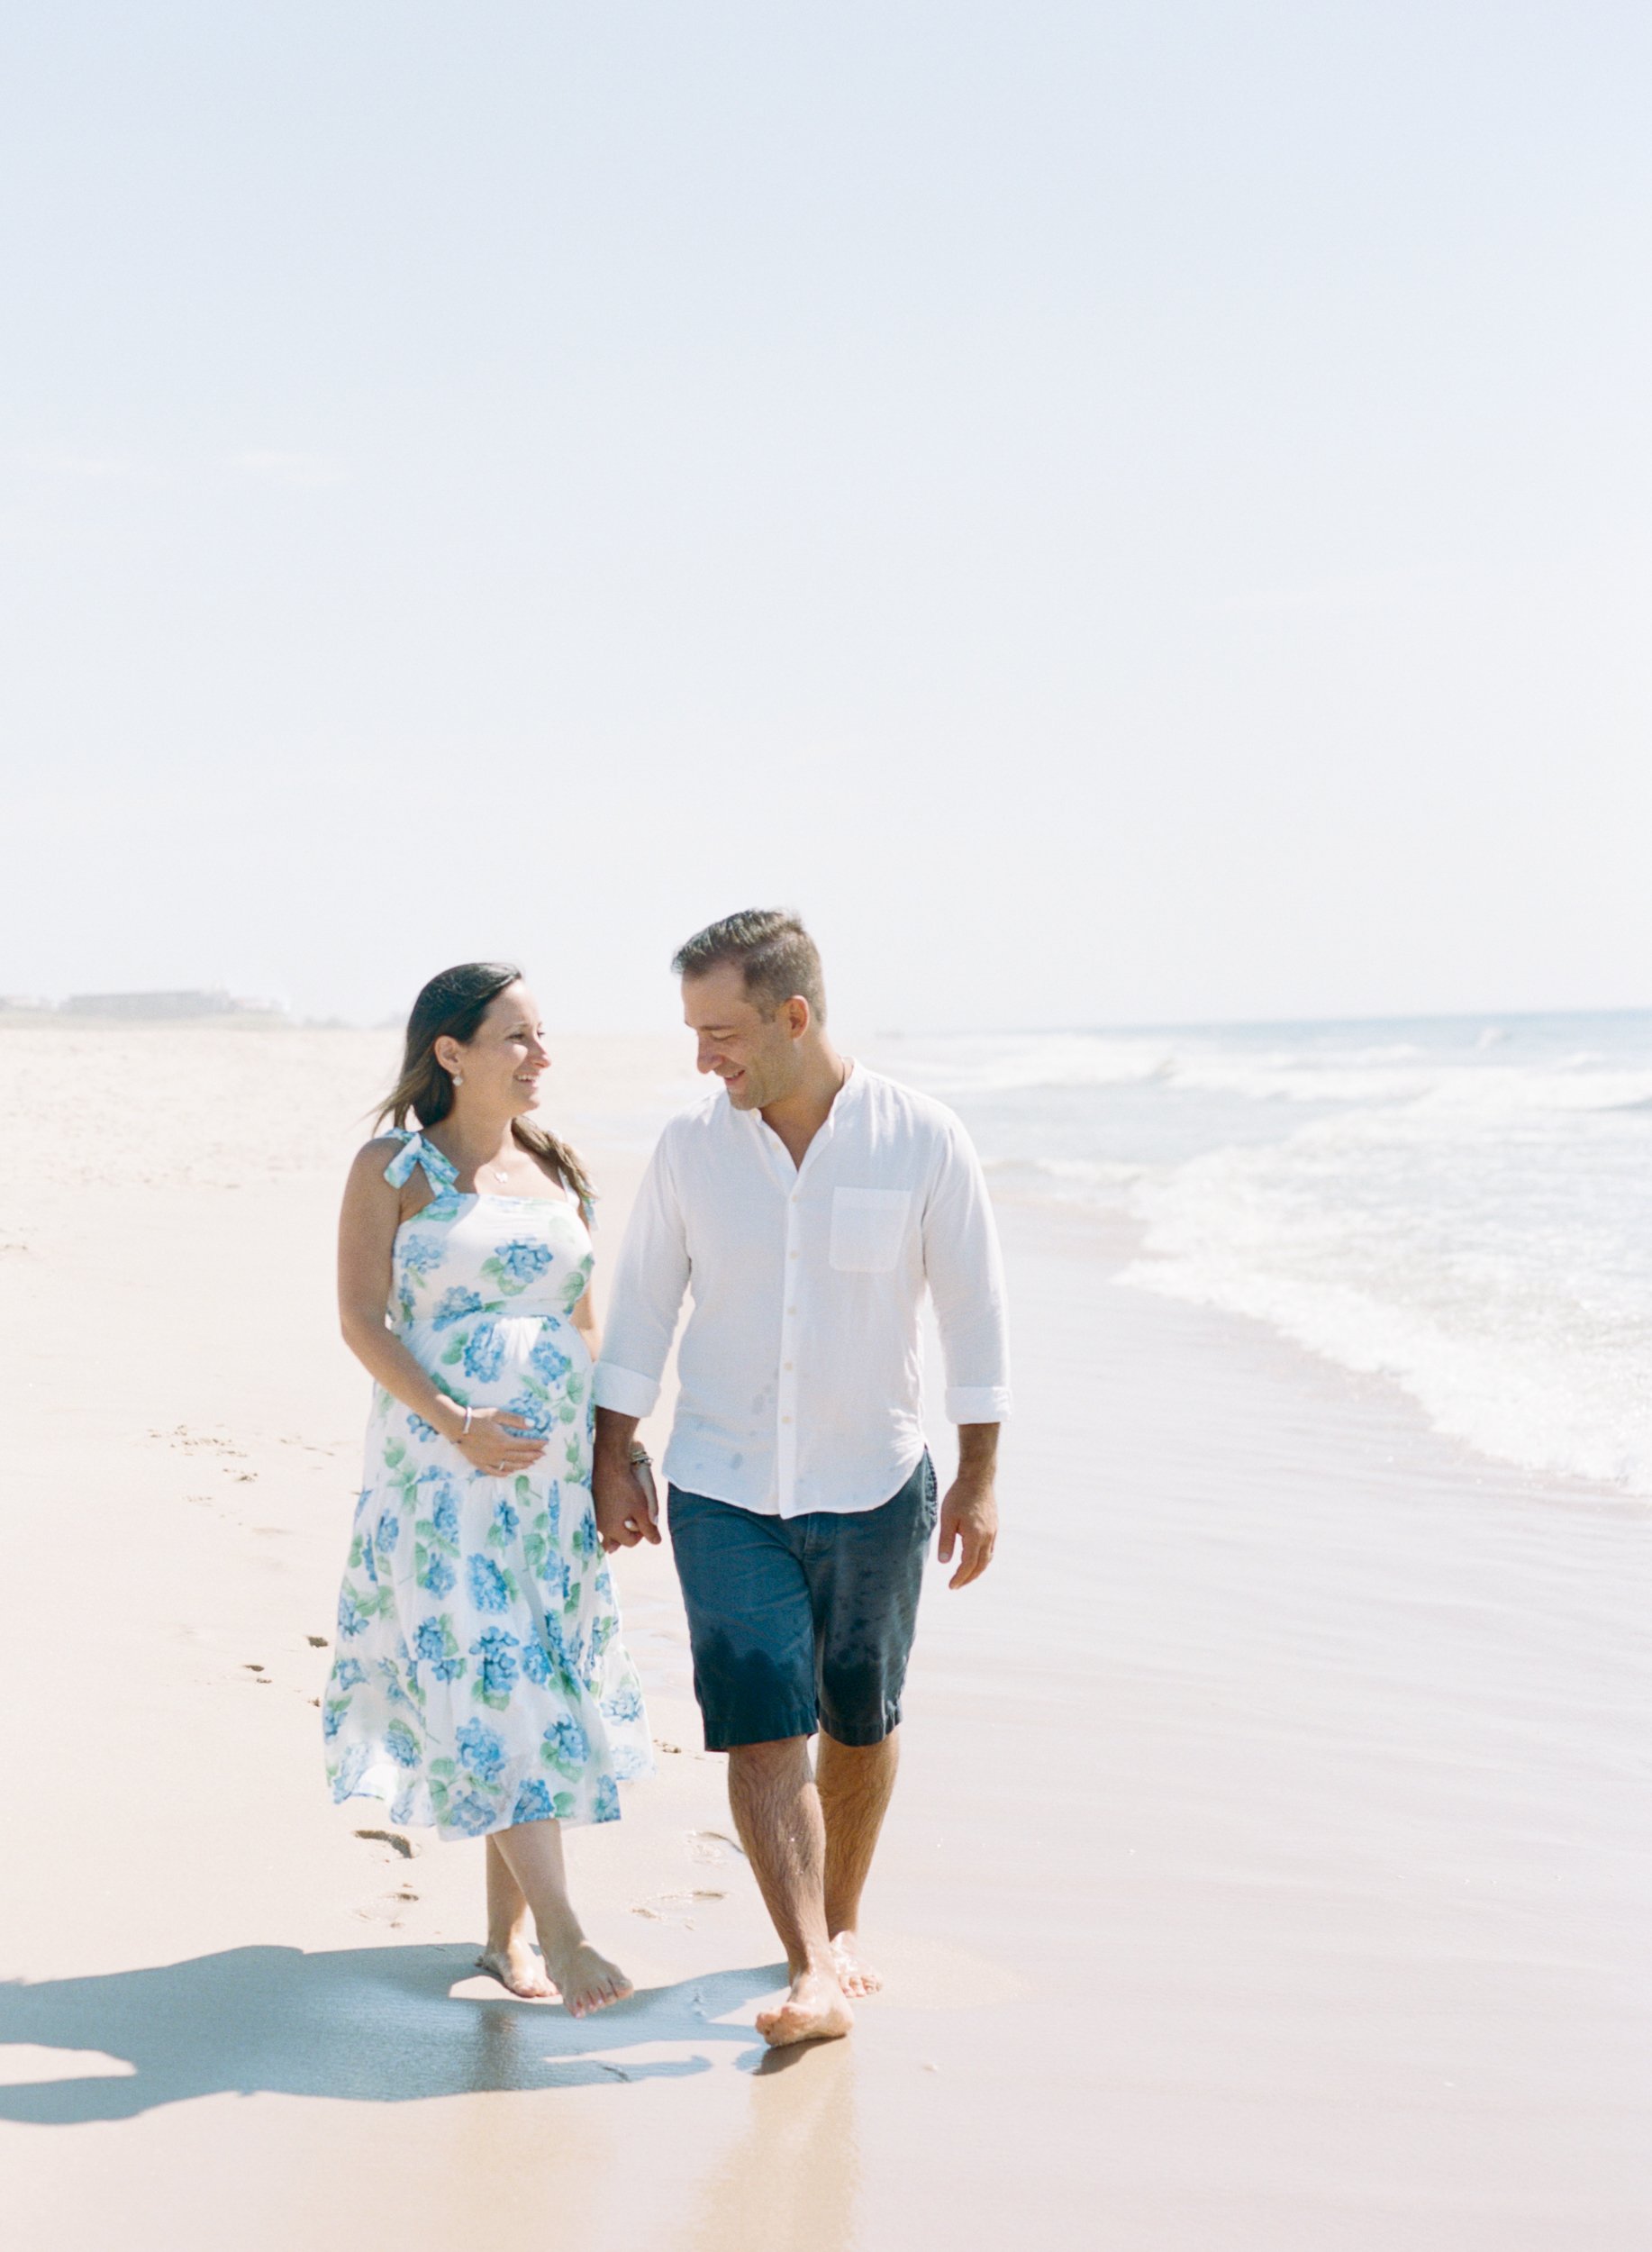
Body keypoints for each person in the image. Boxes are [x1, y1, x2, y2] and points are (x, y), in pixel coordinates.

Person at [592, 910, 1011, 2047]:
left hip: (875, 1482)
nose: (701, 1058)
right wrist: (608, 1454)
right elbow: (638, 1309)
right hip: (721, 1484)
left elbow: (976, 1321)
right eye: (692, 1032)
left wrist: (976, 1480)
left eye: (720, 1031)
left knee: (857, 1724)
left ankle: (843, 1921)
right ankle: (809, 1966)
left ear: (793, 1015)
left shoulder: (921, 1139)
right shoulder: (690, 1149)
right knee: (761, 1729)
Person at [323, 961, 651, 2019]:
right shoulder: (395, 1168)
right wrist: (459, 1421)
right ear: (450, 1053)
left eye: (541, 1036)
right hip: (443, 1483)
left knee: (537, 1687)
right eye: (516, 1037)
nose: (539, 1055)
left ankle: (507, 1936)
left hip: (549, 1490)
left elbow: (586, 1323)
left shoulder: (556, 1169)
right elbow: (362, 1320)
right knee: (492, 1678)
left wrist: (616, 1457)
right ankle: (562, 1929)